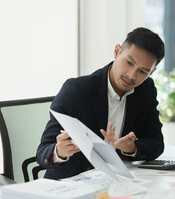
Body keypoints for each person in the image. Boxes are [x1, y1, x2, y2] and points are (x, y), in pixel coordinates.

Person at [37, 27, 165, 180]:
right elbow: (43, 152)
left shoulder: (146, 90)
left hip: (115, 184)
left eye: (142, 71)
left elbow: (156, 142)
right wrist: (60, 151)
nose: (132, 75)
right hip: (70, 184)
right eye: (129, 63)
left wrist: (131, 148)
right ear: (117, 51)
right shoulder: (76, 90)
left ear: (151, 72)